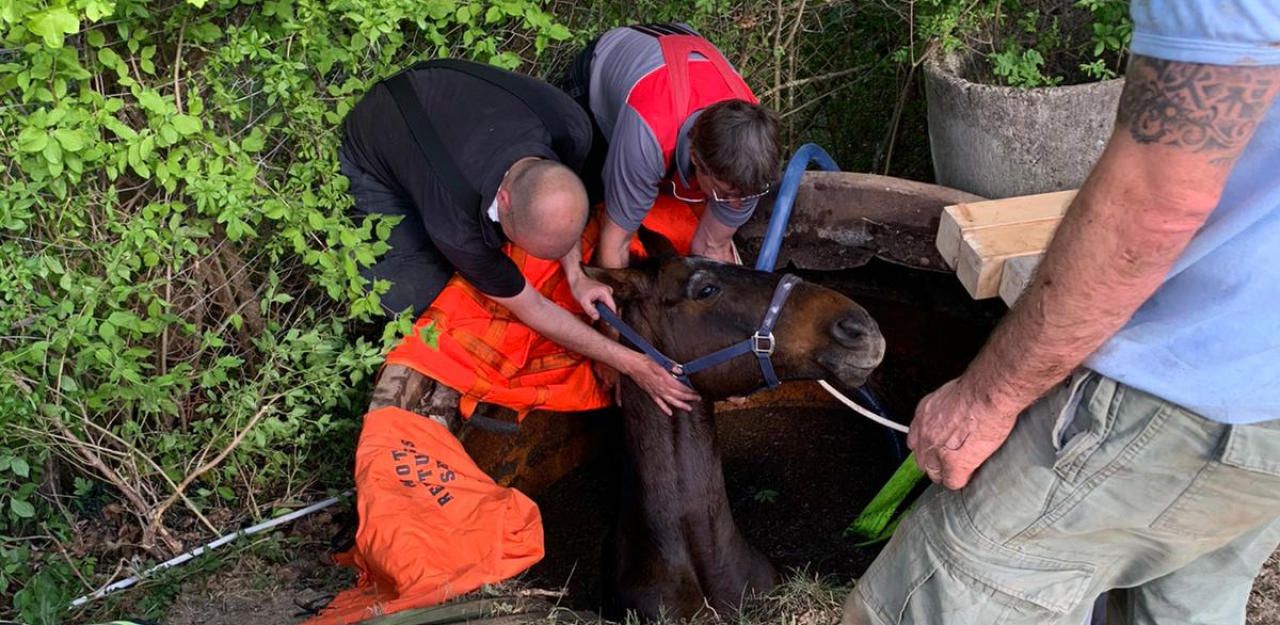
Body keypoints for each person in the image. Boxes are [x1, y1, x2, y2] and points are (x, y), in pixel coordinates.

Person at [843, 4, 1280, 624]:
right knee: (1186, 599)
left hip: (1185, 388)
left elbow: (1153, 204)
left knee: (943, 593)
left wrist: (983, 401)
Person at [339, 59, 698, 419]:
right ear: (506, 199)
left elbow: (562, 210)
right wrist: (630, 363)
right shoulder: (458, 227)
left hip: (444, 91)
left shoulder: (570, 127)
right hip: (382, 134)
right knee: (409, 294)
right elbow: (533, 309)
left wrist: (576, 274)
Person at [562, 23, 781, 269]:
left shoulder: (754, 154)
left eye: (746, 194)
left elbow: (713, 246)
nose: (735, 204)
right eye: (724, 194)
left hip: (680, 59)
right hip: (606, 66)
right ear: (696, 158)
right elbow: (615, 246)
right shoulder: (647, 136)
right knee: (588, 191)